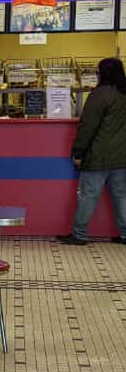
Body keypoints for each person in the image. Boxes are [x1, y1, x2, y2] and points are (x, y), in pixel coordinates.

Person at [58, 57, 126, 245]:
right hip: (122, 157)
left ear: (102, 73)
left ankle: (79, 234)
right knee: (122, 196)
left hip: (98, 156)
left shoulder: (100, 94)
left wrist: (78, 152)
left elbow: (87, 126)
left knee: (88, 195)